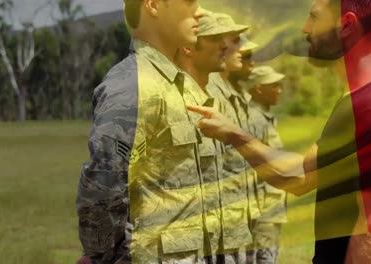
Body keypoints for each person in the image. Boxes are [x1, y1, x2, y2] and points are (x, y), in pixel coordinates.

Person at [187, 0, 371, 263]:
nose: (306, 28)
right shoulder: (359, 103)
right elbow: (298, 176)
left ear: (346, 25)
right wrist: (232, 133)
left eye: (314, 17)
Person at [76, 0, 205, 263]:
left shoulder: (171, 84)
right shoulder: (132, 87)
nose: (199, 10)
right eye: (189, 1)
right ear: (153, 5)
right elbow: (106, 181)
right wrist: (100, 255)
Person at [175, 10, 252, 263]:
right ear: (189, 48)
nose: (226, 46)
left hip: (220, 235)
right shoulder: (172, 100)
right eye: (217, 38)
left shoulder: (215, 100)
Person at [204, 13, 260, 264]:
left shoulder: (231, 95)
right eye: (235, 40)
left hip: (237, 217)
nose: (238, 48)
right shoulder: (210, 92)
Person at [245, 66, 287, 264]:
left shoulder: (265, 118)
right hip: (262, 209)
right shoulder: (254, 120)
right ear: (259, 88)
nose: (279, 90)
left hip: (271, 206)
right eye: (274, 85)